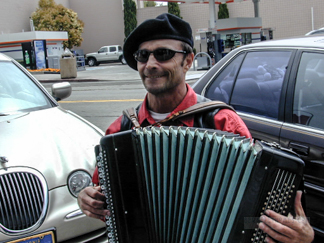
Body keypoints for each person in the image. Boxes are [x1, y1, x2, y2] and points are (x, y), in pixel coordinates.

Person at [77, 13, 314, 243]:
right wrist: (88, 199)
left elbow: (250, 219)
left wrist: (294, 234)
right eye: (142, 55)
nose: (150, 64)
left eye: (163, 54)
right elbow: (106, 200)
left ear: (188, 61)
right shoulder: (120, 132)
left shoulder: (222, 123)